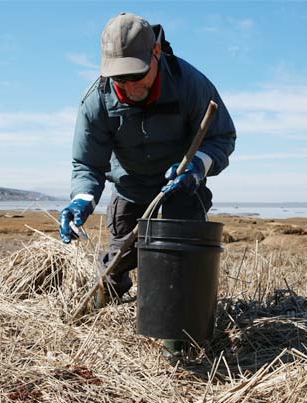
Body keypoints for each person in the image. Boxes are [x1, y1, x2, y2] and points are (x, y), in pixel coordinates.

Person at [59, 12, 236, 307]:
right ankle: (98, 313)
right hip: (130, 189)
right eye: (120, 78)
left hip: (182, 188)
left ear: (156, 52)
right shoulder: (96, 100)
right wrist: (81, 199)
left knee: (185, 267)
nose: (130, 88)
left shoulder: (189, 84)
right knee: (114, 267)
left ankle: (181, 323)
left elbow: (222, 137)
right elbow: (88, 164)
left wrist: (197, 167)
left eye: (137, 75)